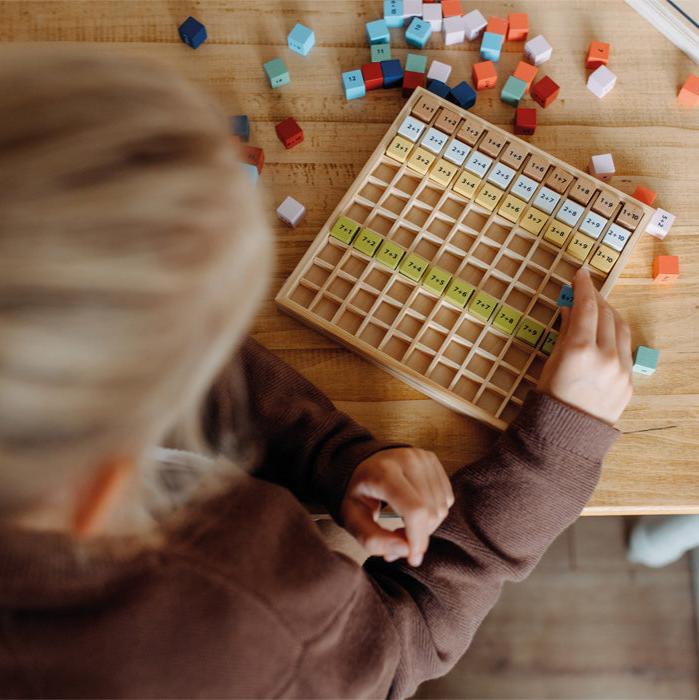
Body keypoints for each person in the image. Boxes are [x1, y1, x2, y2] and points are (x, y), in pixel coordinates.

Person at [0, 47, 633, 699]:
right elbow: (411, 634)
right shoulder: (252, 630)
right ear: (102, 488)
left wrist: (335, 457)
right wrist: (555, 456)